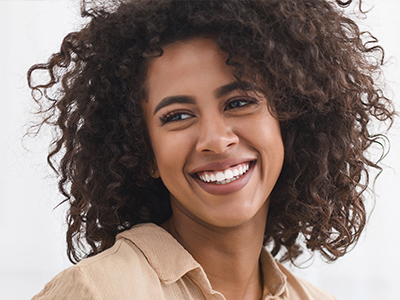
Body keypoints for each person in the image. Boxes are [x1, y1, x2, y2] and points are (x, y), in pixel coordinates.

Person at [28, 0, 394, 299]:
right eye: (178, 115)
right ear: (143, 151)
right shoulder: (98, 293)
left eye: (238, 103)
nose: (216, 140)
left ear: (289, 120)